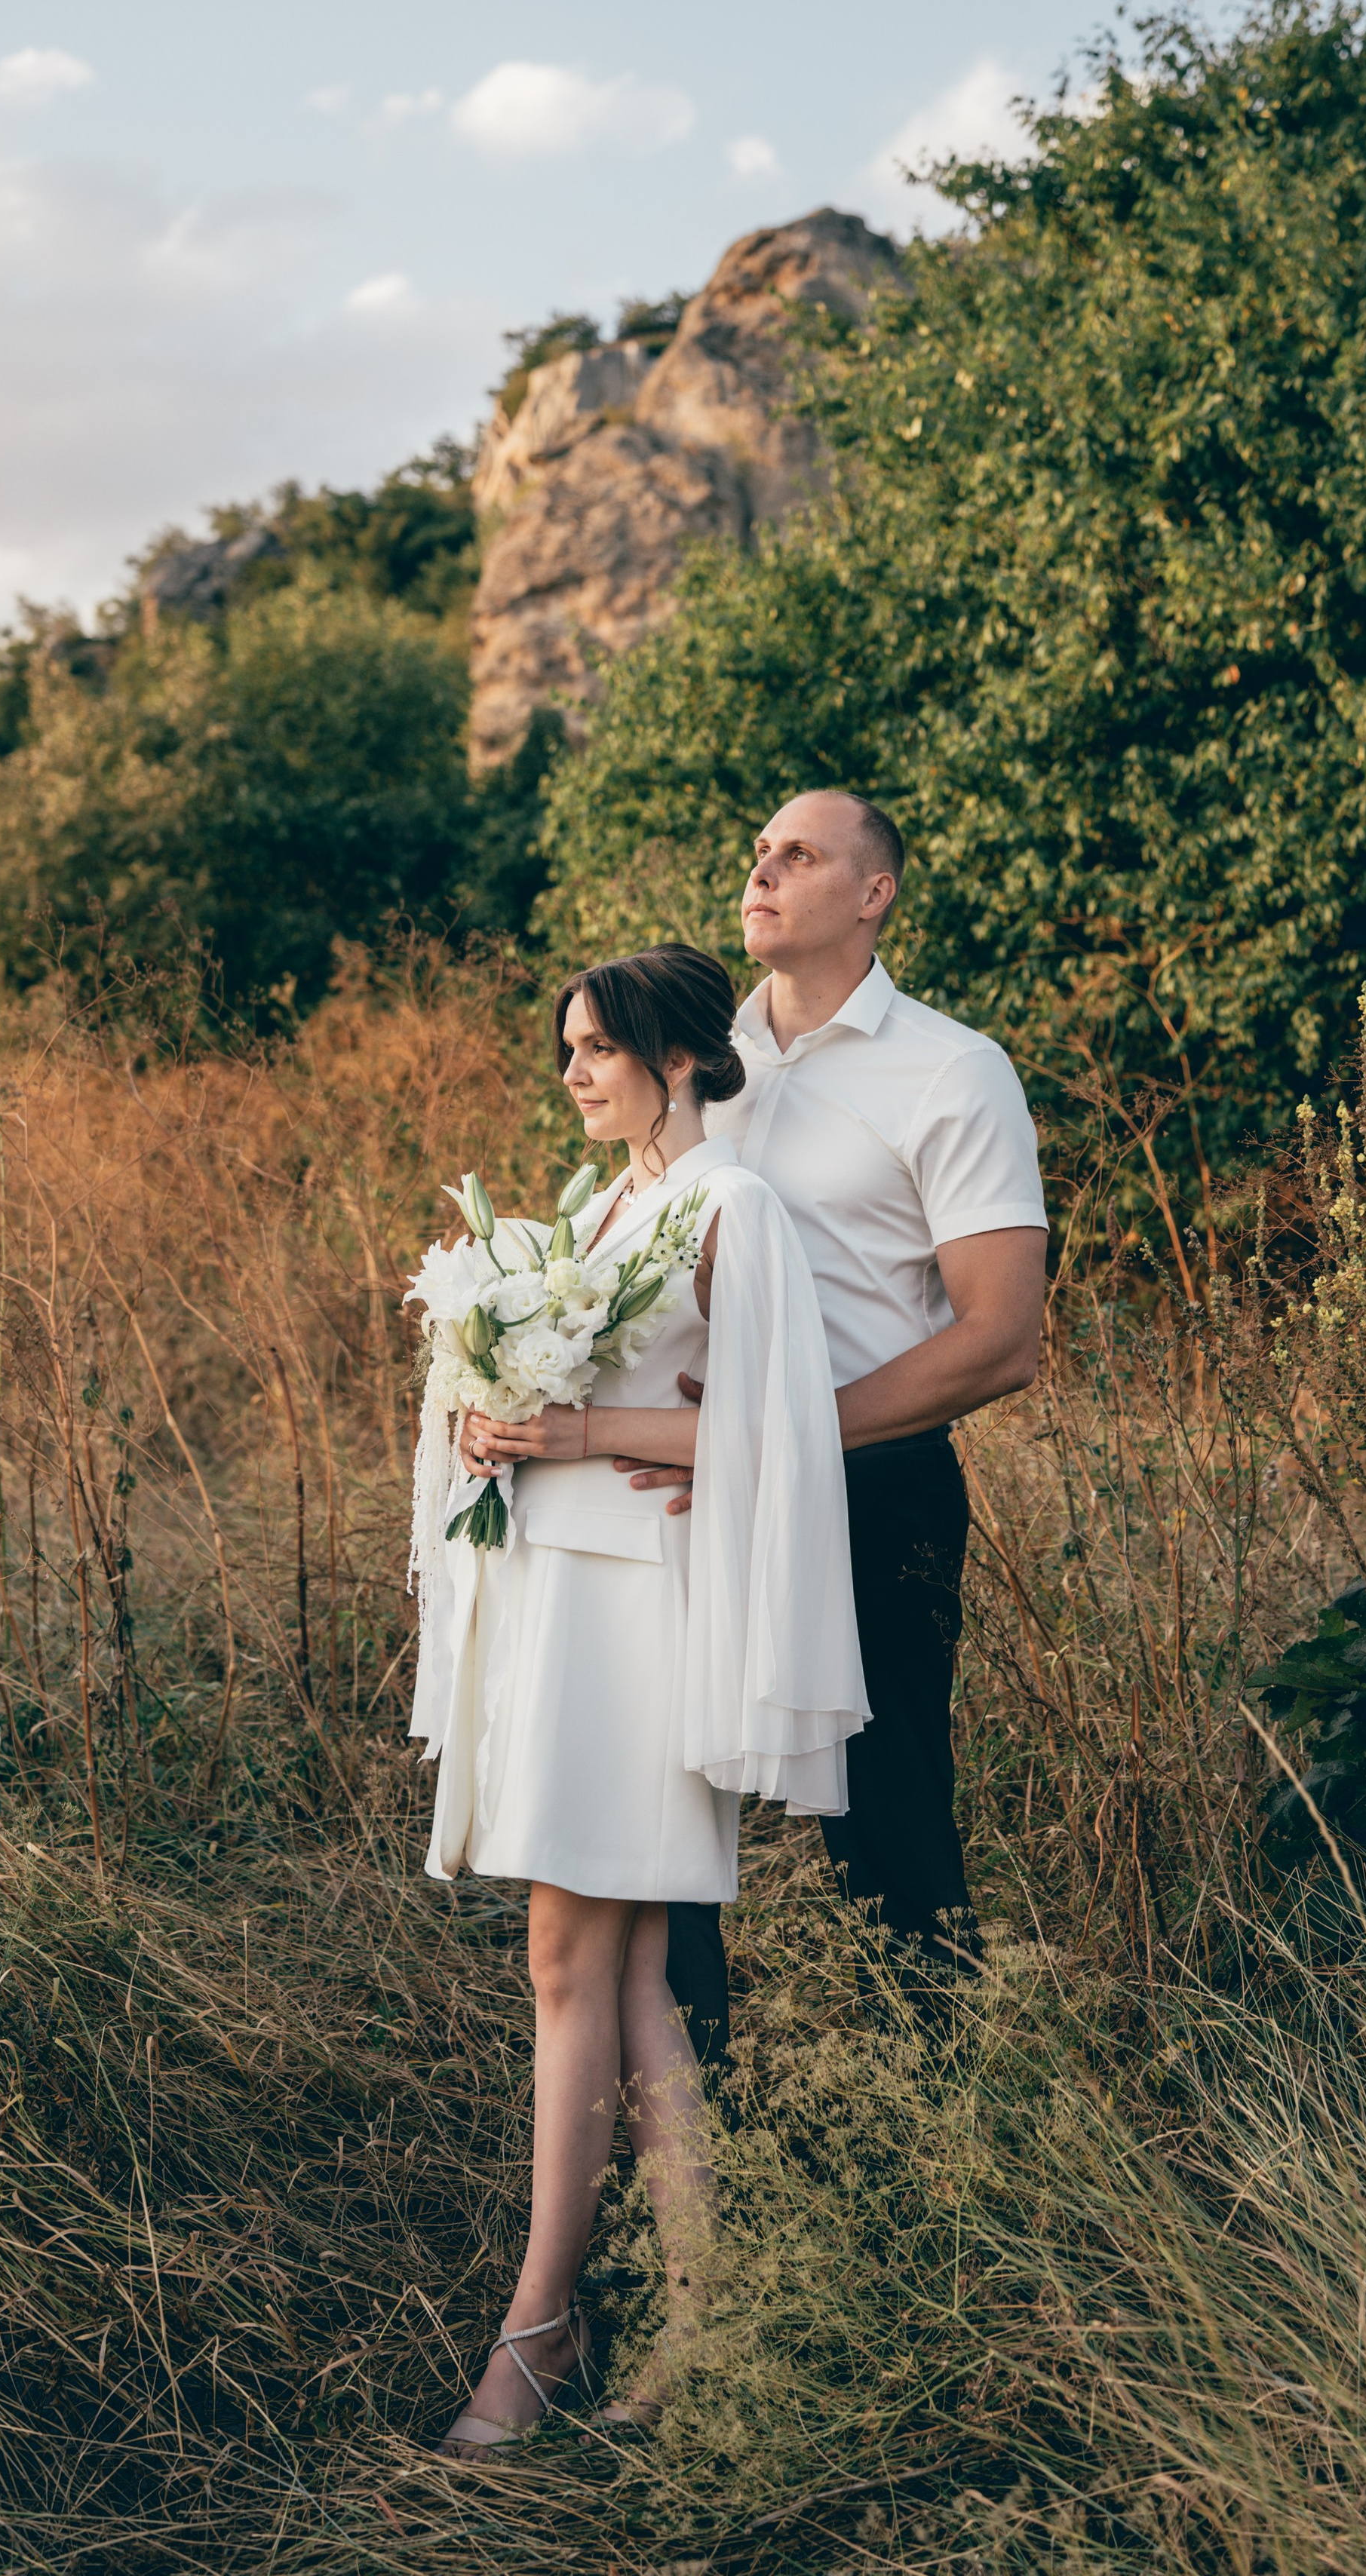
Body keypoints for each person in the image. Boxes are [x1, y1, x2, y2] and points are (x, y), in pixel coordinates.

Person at [407, 943, 868, 2457]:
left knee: (567, 1963)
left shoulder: (731, 1205)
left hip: (640, 1618)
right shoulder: (602, 1213)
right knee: (634, 1980)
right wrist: (491, 1424)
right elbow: (595, 1415)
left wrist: (583, 1431)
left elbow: (776, 1428)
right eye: (565, 1051)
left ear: (677, 1056)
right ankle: (689, 2326)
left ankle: (536, 2330)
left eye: (596, 1048)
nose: (573, 1075)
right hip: (561, 1604)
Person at [612, 796, 1047, 2064]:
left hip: (871, 1483)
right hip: (688, 1485)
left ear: (874, 894)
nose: (762, 871)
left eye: (796, 855)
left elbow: (1002, 1337)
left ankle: (941, 2113)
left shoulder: (952, 1069)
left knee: (888, 1812)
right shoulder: (696, 1062)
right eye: (758, 852)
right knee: (666, 1806)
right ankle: (694, 2128)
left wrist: (783, 1438)